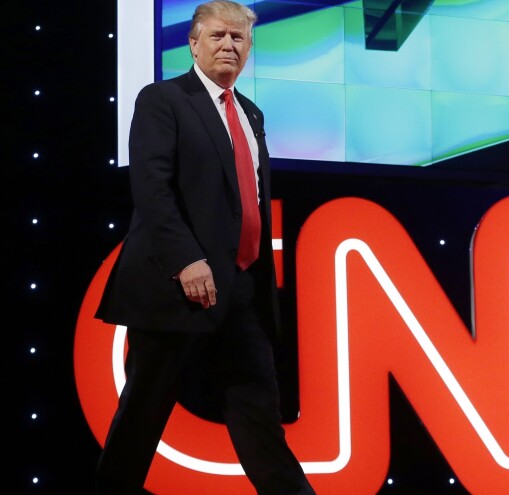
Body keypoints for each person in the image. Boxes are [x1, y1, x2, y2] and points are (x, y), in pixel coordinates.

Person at [94, 1, 315, 493]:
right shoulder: (163, 99)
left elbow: (248, 197)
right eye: (217, 36)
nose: (228, 46)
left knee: (259, 414)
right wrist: (188, 260)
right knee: (143, 414)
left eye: (239, 39)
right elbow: (152, 190)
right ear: (193, 43)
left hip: (242, 292)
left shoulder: (251, 113)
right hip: (178, 287)